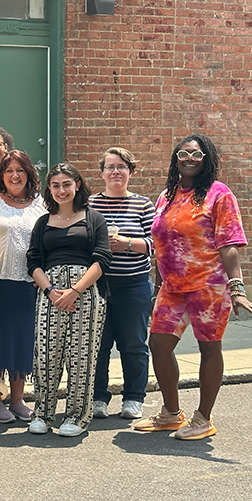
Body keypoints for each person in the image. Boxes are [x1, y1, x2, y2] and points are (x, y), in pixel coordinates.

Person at [135, 133, 252, 439]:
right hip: (171, 287)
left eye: (197, 154)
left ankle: (203, 418)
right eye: (184, 154)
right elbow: (161, 245)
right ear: (175, 159)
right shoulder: (167, 195)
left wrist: (237, 288)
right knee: (159, 345)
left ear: (207, 159)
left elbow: (229, 244)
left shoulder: (220, 195)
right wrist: (156, 289)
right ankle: (171, 413)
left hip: (209, 286)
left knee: (209, 349)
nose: (190, 159)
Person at [26, 163, 111, 437]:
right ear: (49, 189)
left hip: (85, 294)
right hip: (49, 294)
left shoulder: (93, 218)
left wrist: (75, 290)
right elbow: (33, 261)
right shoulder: (43, 222)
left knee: (81, 356)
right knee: (47, 355)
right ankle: (43, 413)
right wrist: (51, 291)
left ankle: (76, 416)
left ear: (77, 185)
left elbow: (101, 260)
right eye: (55, 185)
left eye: (66, 184)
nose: (61, 190)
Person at [89, 148, 155, 420]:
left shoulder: (144, 204)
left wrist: (126, 243)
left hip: (133, 285)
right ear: (102, 172)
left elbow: (156, 245)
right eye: (110, 167)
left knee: (133, 344)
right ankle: (97, 398)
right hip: (98, 285)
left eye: (122, 167)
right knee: (98, 344)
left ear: (131, 171)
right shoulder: (90, 204)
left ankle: (133, 398)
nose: (116, 172)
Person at [0, 150, 46, 424]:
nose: (15, 175)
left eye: (20, 170)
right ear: (2, 175)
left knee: (23, 341)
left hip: (28, 284)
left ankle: (18, 399)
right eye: (9, 171)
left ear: (29, 174)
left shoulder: (41, 204)